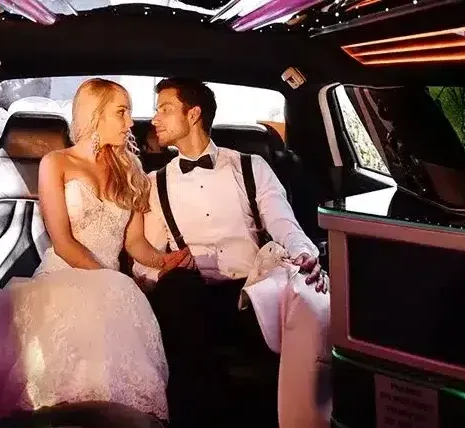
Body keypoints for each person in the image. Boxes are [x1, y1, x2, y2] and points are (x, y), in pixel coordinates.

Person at [0, 78, 178, 423]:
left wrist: (163, 260)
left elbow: (134, 242)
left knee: (116, 311)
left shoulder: (132, 171)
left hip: (111, 286)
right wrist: (109, 280)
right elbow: (63, 242)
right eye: (122, 112)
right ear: (95, 115)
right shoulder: (56, 162)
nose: (131, 123)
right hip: (64, 275)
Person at [132, 77, 331, 428]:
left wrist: (305, 254)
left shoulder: (252, 166)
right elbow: (145, 262)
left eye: (164, 109)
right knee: (179, 294)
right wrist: (163, 268)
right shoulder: (154, 182)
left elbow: (284, 223)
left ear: (193, 114)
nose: (155, 120)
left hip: (251, 294)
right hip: (191, 297)